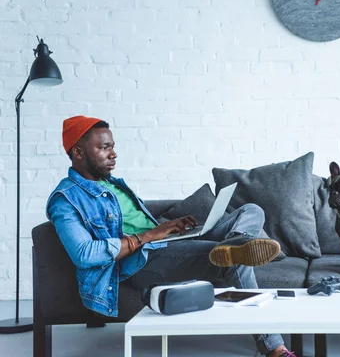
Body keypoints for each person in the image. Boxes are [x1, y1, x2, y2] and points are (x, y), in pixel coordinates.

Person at [46, 115, 295, 357]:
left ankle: (235, 242)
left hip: (163, 243)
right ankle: (275, 349)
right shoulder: (65, 200)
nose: (114, 154)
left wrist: (168, 227)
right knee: (235, 260)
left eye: (113, 146)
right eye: (104, 147)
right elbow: (84, 254)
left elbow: (137, 222)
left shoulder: (113, 183)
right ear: (78, 153)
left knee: (251, 210)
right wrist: (149, 235)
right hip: (142, 260)